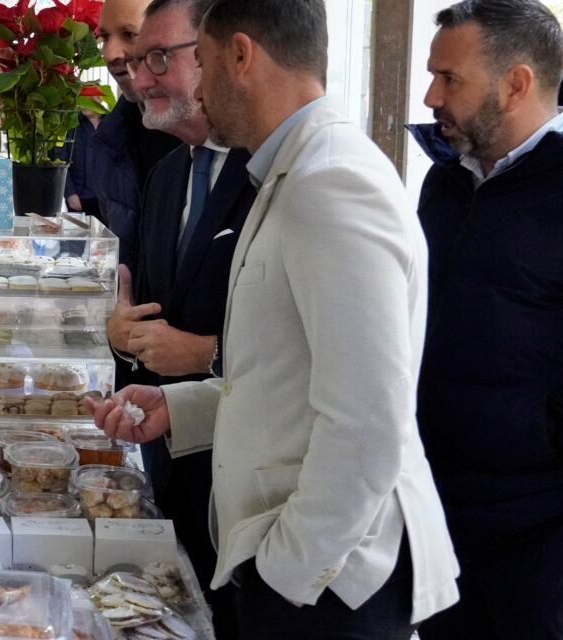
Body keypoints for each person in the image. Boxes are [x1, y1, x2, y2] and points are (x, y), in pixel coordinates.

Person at [87, 0, 461, 636]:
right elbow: (287, 369)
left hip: (327, 582)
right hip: (298, 563)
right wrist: (182, 408)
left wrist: (288, 570)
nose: (197, 86)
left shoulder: (331, 179)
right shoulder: (288, 170)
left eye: (200, 63)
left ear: (241, 56)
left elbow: (369, 418)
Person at [408, 1, 563, 637]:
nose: (430, 95)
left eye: (450, 79)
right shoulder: (444, 183)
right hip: (437, 506)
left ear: (517, 83)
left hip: (537, 529)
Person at [105, 1, 254, 636]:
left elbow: (315, 347)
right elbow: (140, 299)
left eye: (157, 58)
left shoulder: (274, 172)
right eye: (139, 63)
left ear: (219, 52)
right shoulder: (168, 173)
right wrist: (118, 330)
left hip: (244, 479)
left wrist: (206, 355)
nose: (141, 80)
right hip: (168, 458)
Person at [92, 0, 182, 240]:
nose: (110, 54)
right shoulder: (111, 139)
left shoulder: (226, 142)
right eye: (104, 38)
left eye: (129, 35)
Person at [54, 110, 102, 217]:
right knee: (79, 232)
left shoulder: (110, 123)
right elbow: (60, 160)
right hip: (79, 197)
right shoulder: (71, 124)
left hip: (106, 198)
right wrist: (70, 193)